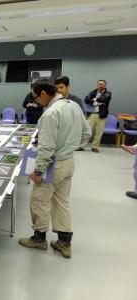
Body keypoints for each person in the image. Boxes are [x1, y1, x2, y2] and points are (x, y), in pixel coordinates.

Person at [18, 80, 91, 259]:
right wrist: (69, 147)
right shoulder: (73, 105)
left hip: (53, 164)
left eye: (36, 96)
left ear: (43, 93)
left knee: (39, 201)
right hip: (69, 162)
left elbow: (47, 148)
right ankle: (64, 243)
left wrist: (38, 171)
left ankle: (39, 239)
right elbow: (87, 133)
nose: (36, 100)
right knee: (61, 202)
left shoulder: (50, 114)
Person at [81, 80, 112, 153]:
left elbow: (104, 99)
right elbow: (86, 100)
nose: (100, 85)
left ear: (105, 85)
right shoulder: (93, 92)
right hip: (91, 114)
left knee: (99, 132)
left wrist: (94, 100)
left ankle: (95, 147)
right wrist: (96, 103)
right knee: (87, 131)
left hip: (101, 115)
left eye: (101, 84)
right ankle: (81, 146)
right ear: (97, 85)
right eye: (98, 84)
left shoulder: (108, 93)